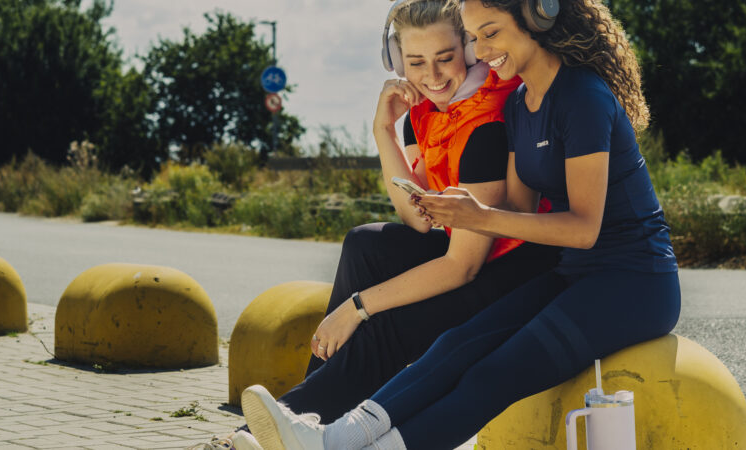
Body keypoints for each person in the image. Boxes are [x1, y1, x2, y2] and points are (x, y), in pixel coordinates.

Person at [237, 0, 681, 449]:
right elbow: (522, 216)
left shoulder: (583, 95)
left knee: (494, 373)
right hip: (572, 271)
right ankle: (327, 438)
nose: (481, 51)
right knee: (454, 347)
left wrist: (479, 218)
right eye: (473, 38)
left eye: (489, 34)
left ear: (536, 18)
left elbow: (585, 228)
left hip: (634, 281)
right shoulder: (521, 106)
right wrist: (461, 213)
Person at [192, 1, 558, 448]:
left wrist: (356, 308)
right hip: (471, 251)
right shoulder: (425, 115)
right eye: (416, 62)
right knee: (365, 244)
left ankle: (273, 432)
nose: (434, 76)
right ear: (395, 62)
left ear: (467, 49)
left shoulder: (486, 124)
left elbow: (463, 266)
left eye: (445, 58)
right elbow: (416, 220)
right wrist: (383, 130)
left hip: (516, 266)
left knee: (378, 329)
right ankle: (305, 419)